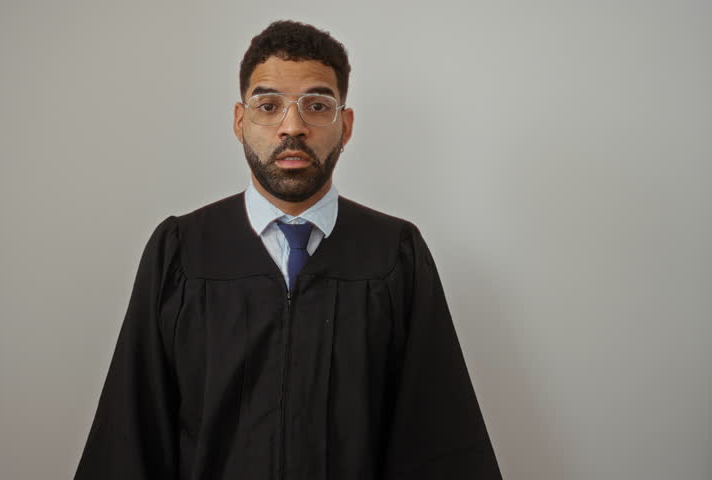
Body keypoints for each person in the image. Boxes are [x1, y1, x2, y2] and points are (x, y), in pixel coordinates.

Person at [74, 20, 502, 480]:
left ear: (345, 126)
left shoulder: (394, 255)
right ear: (240, 122)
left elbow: (435, 434)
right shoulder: (181, 251)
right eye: (268, 106)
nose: (292, 127)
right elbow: (132, 429)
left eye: (317, 106)